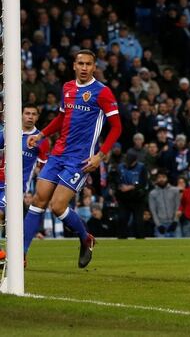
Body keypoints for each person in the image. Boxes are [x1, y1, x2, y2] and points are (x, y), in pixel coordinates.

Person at [24, 50, 121, 268]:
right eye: (80, 63)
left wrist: (100, 155)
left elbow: (117, 127)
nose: (84, 68)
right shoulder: (67, 88)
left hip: (80, 159)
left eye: (88, 64)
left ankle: (85, 238)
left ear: (94, 67)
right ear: (74, 66)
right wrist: (41, 135)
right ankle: (21, 253)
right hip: (58, 153)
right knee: (39, 199)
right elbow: (61, 117)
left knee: (58, 206)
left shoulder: (102, 92)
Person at [0, 104, 50, 260]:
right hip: (0, 180)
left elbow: (44, 168)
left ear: (37, 117)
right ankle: (16, 256)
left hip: (15, 187)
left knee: (1, 213)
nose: (30, 116)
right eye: (27, 113)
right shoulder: (8, 133)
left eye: (33, 114)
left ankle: (12, 255)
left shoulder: (41, 141)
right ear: (21, 115)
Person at [148, 168, 181, 237]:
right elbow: (153, 211)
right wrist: (158, 225)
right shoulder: (152, 193)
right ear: (156, 179)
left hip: (175, 223)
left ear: (167, 178)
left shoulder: (175, 191)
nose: (161, 179)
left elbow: (178, 207)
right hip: (160, 224)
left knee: (179, 246)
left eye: (163, 177)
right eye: (159, 177)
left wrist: (175, 222)